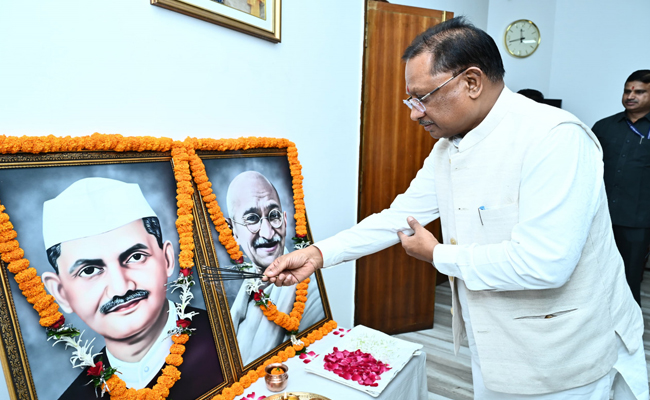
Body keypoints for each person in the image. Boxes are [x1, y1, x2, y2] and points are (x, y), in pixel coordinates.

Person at [265, 18, 648, 399]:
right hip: (494, 344)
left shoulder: (555, 138)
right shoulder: (448, 148)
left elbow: (546, 262)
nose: (414, 112)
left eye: (422, 97)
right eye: (409, 99)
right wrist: (318, 254)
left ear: (471, 82)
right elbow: (399, 218)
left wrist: (437, 255)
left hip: (565, 354)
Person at [41, 178, 222, 400]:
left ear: (167, 259)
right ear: (60, 293)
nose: (120, 288)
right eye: (89, 271)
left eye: (135, 257)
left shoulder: (231, 337)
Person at [225, 171, 324, 365]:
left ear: (285, 220)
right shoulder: (248, 281)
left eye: (274, 216)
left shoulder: (309, 292)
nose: (268, 233)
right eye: (252, 219)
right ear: (232, 231)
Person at [593, 70, 650, 306]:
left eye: (639, 92)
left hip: (638, 222)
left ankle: (628, 336)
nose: (630, 96)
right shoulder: (604, 127)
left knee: (628, 279)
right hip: (599, 219)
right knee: (593, 277)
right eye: (627, 90)